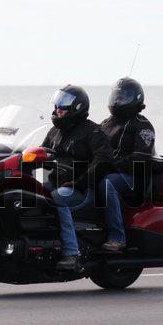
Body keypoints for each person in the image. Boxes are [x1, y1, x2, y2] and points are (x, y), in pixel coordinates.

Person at [41, 84, 113, 269]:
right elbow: (41, 153)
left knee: (57, 199)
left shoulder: (93, 131)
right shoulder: (55, 131)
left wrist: (80, 182)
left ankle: (71, 253)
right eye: (57, 104)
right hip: (57, 183)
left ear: (77, 107)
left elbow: (103, 160)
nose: (58, 109)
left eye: (63, 105)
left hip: (82, 188)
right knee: (29, 196)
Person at [99, 77, 156, 252]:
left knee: (107, 184)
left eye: (123, 97)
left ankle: (117, 238)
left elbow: (141, 158)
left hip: (133, 177)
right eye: (116, 96)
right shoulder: (107, 123)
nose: (117, 100)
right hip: (110, 172)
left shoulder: (143, 126)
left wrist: (111, 165)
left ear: (135, 98)